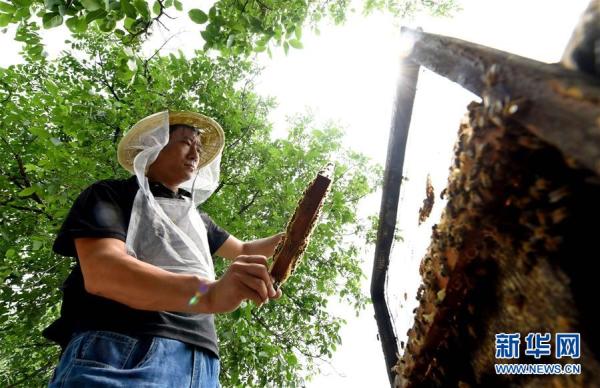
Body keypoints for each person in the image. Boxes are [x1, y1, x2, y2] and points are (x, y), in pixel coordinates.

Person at [44, 111, 283, 387]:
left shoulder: (196, 218)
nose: (195, 152)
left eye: (199, 147)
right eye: (185, 142)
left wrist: (293, 234)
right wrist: (210, 294)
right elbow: (104, 271)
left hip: (203, 362)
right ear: (153, 144)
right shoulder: (110, 194)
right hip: (122, 346)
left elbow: (244, 250)